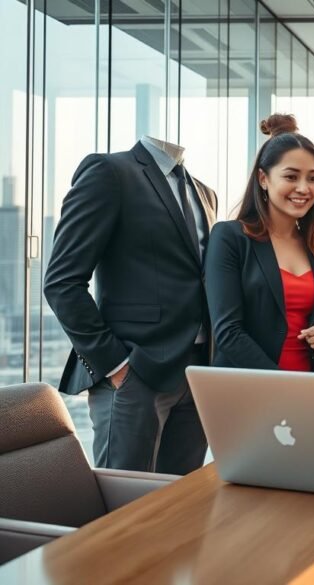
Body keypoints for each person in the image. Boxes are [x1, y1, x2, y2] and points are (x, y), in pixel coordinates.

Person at [44, 135, 217, 474]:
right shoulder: (109, 172)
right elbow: (62, 282)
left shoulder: (203, 192)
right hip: (136, 371)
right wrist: (116, 366)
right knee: (124, 508)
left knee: (178, 506)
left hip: (197, 373)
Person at [205, 114, 314, 372]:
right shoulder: (230, 238)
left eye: (313, 178)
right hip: (250, 390)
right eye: (291, 177)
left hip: (312, 389)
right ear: (263, 179)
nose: (304, 188)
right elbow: (228, 332)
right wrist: (281, 385)